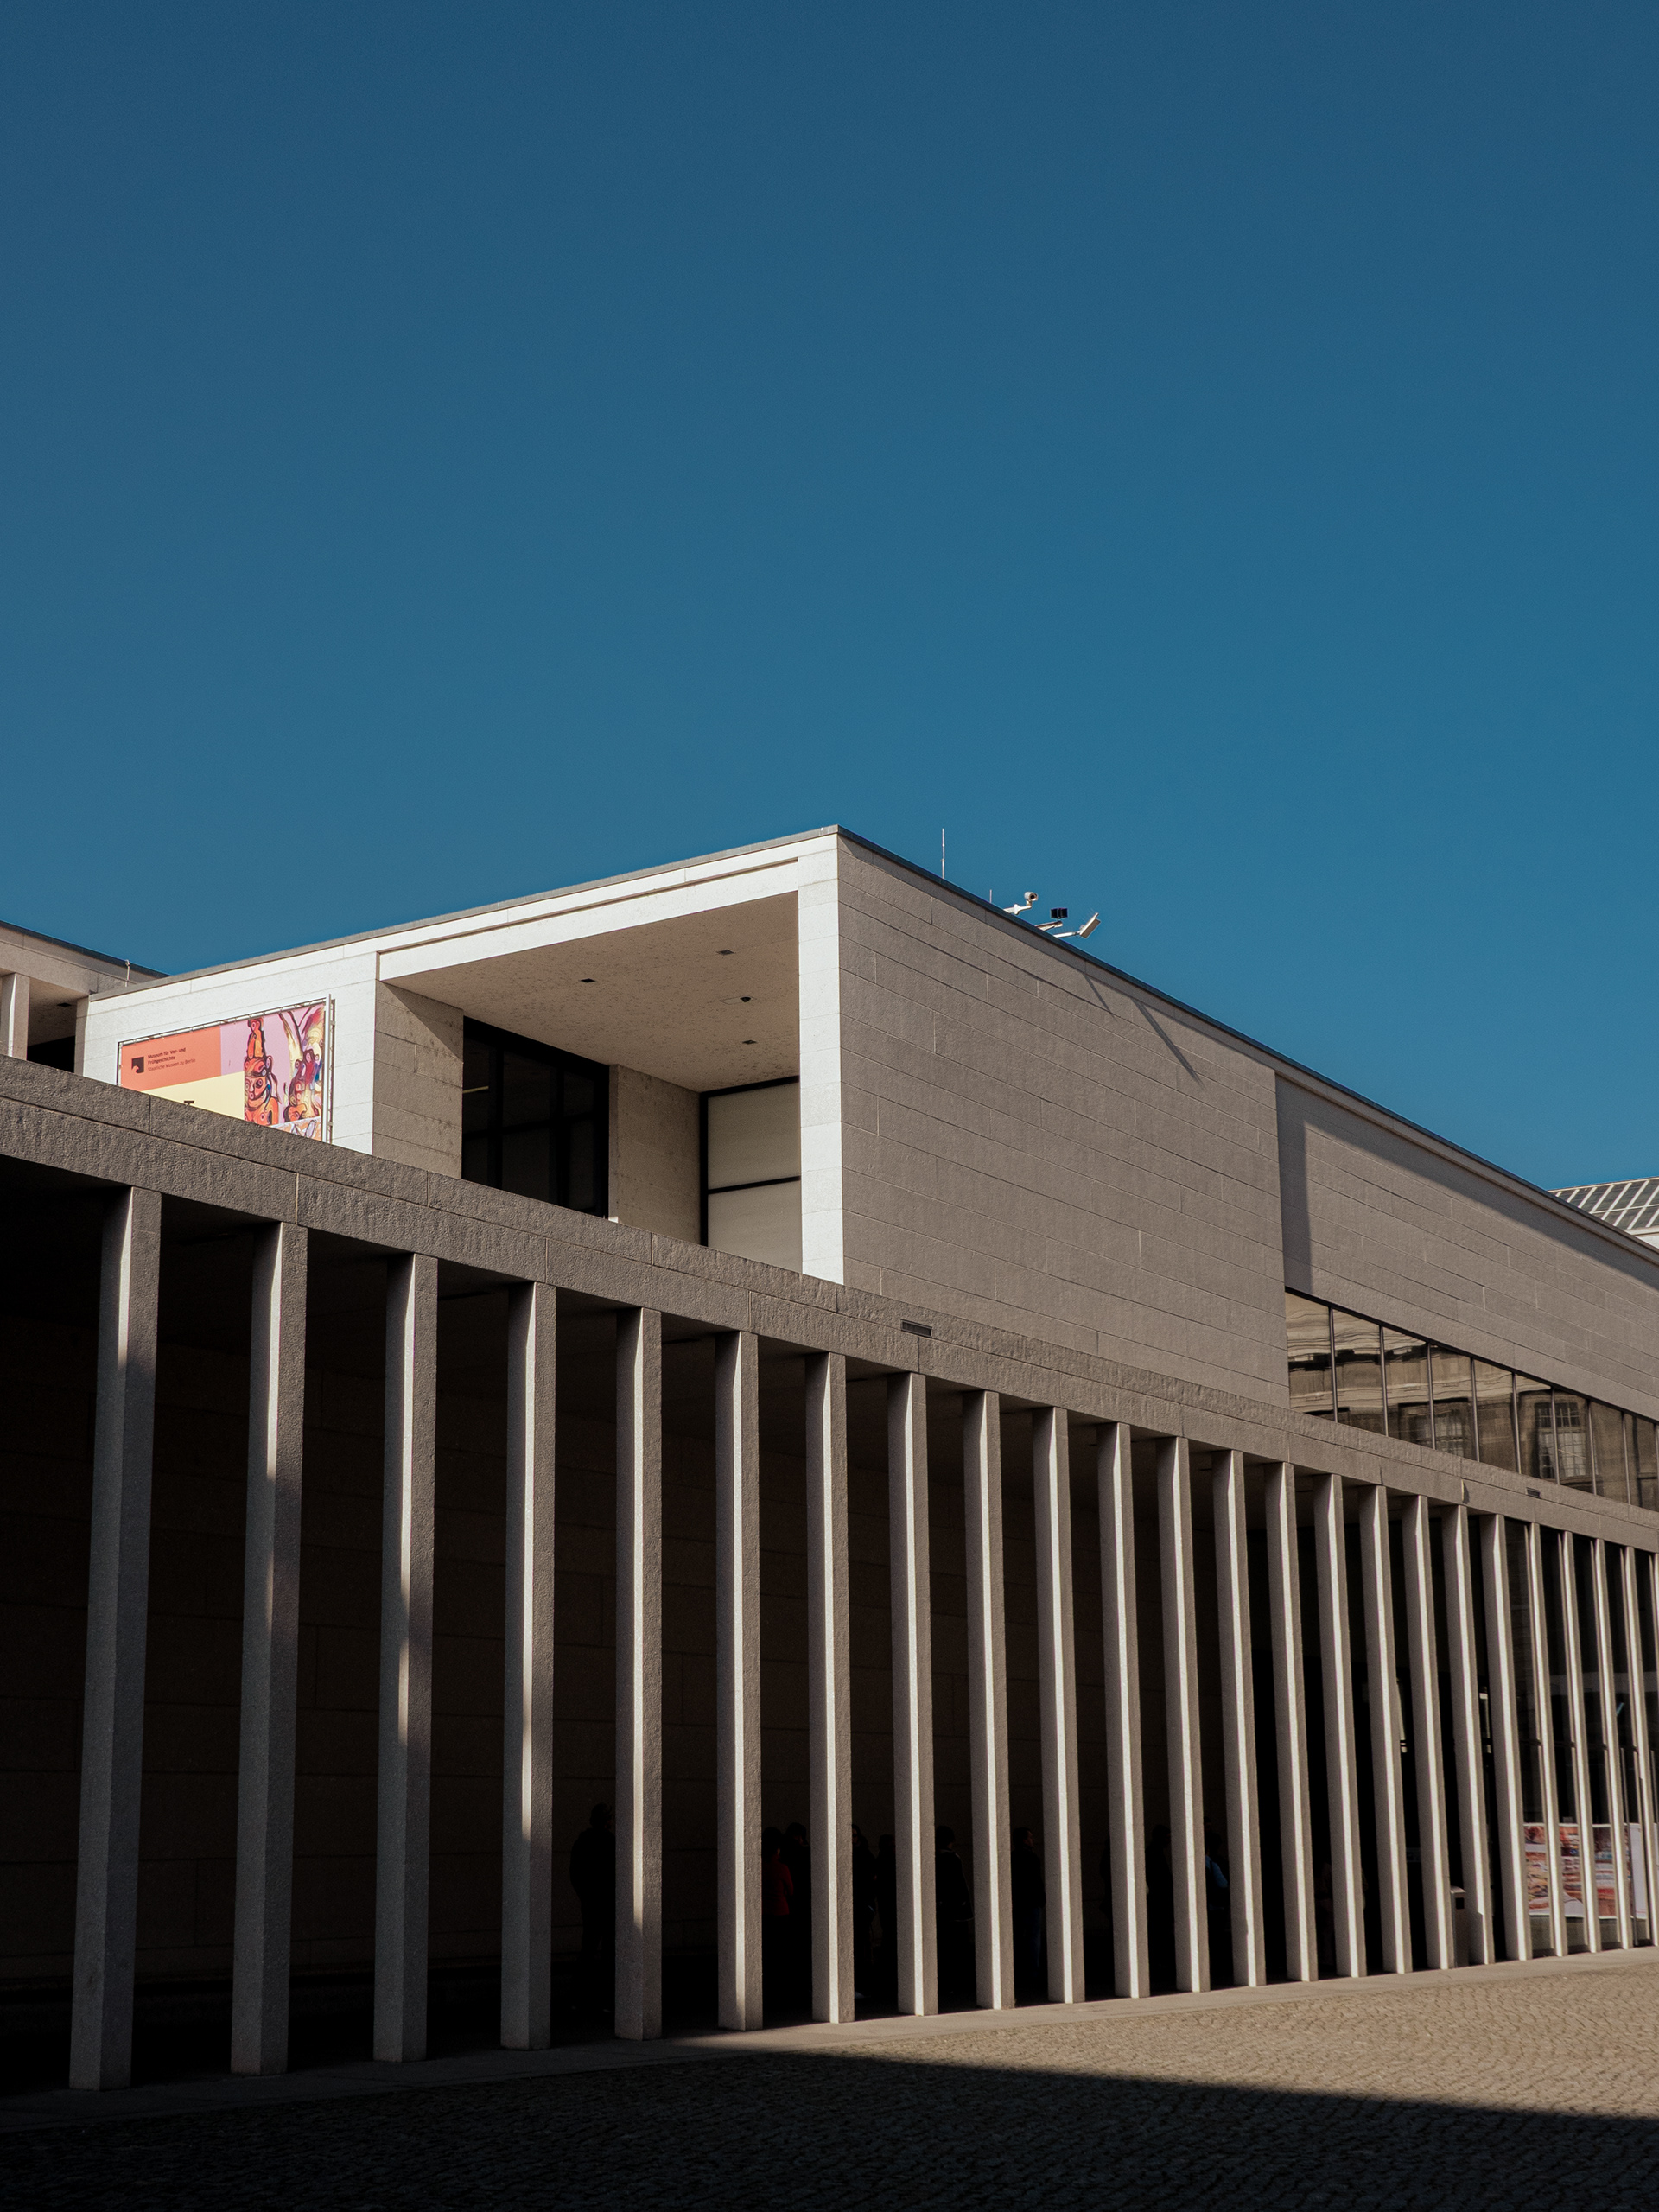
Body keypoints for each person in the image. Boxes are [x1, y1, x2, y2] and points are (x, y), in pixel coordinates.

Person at [569, 1803, 614, 2018]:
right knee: (609, 1953)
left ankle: (579, 1999)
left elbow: (575, 1874)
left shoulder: (582, 1842)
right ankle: (606, 2000)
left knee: (588, 1950)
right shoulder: (611, 1842)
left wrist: (585, 1896)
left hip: (591, 1904)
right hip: (607, 1904)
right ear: (607, 1821)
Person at [934, 1826, 973, 2004]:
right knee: (957, 1948)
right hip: (956, 1912)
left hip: (946, 1911)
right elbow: (958, 1885)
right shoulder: (951, 1858)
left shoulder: (938, 1858)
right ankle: (956, 1982)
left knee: (946, 1949)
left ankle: (948, 1983)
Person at [761, 1825, 794, 2014]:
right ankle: (781, 1995)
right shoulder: (782, 1868)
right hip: (781, 1914)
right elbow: (791, 1891)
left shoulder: (759, 1867)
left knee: (767, 1955)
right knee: (781, 1956)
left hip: (764, 1915)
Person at [1009, 1826, 1046, 1997]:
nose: (1032, 1840)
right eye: (1030, 1837)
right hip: (1031, 1903)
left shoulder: (1012, 1858)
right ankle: (1032, 1972)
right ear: (1024, 1840)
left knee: (1017, 1937)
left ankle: (1017, 1970)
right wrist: (1041, 1900)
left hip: (1017, 1903)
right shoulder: (1032, 1858)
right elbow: (1037, 1881)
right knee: (1033, 1938)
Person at [783, 1820, 813, 2009]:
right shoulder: (805, 1854)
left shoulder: (783, 1855)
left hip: (791, 1906)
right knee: (802, 1949)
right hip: (802, 1905)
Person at [850, 1824, 877, 2000]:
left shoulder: (865, 1855)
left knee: (861, 1947)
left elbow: (873, 1879)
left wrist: (868, 1906)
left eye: (854, 1836)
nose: (852, 1839)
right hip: (852, 1906)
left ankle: (862, 1985)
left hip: (862, 1907)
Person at [875, 1834, 899, 2001]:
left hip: (891, 1907)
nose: (894, 1849)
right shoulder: (885, 1862)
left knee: (891, 1940)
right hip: (889, 1907)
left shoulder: (886, 1861)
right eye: (892, 1846)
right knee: (890, 1940)